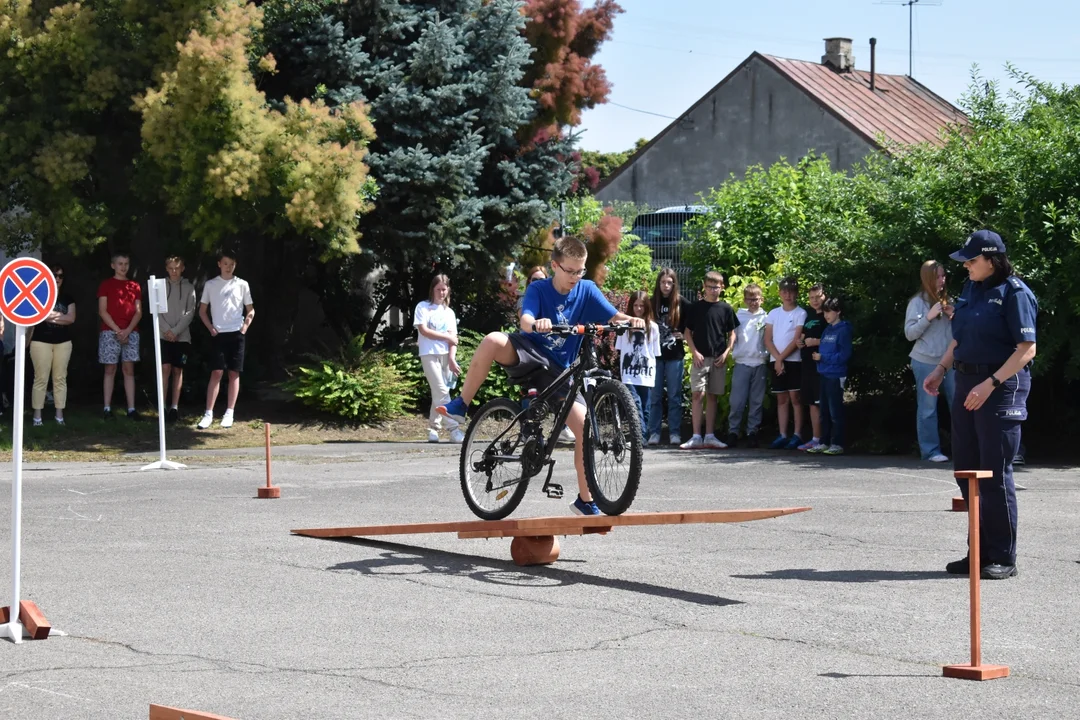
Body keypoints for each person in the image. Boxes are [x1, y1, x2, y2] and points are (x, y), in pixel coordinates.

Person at [437, 235, 644, 516]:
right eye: (570, 270)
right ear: (555, 265)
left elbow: (613, 316)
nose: (575, 276)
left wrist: (630, 321)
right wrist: (537, 324)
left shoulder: (587, 290)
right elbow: (525, 319)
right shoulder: (539, 288)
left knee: (584, 427)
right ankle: (461, 405)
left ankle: (585, 500)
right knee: (493, 340)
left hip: (559, 372)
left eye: (580, 270)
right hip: (530, 352)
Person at [923, 230, 1037, 581]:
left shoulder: (1015, 294)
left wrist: (991, 384)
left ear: (992, 260)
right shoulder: (973, 289)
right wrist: (941, 369)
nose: (966, 266)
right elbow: (959, 337)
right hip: (967, 383)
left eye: (972, 260)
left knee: (994, 474)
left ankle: (1003, 556)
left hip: (1000, 386)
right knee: (968, 472)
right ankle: (979, 552)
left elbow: (1026, 349)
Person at [680, 271, 739, 449]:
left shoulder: (726, 308)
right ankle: (696, 436)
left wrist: (727, 351)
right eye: (710, 287)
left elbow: (732, 333)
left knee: (713, 396)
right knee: (698, 394)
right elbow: (687, 332)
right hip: (700, 358)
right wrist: (694, 352)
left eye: (717, 287)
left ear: (722, 288)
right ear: (704, 287)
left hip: (718, 358)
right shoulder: (695, 308)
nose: (714, 290)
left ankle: (710, 436)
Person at [197, 250, 255, 430]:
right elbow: (202, 311)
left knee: (234, 373)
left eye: (231, 264)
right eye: (225, 263)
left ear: (235, 265)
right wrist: (211, 328)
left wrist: (244, 327)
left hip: (236, 334)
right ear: (219, 264)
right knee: (216, 372)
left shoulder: (242, 284)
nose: (228, 267)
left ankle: (229, 412)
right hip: (218, 334)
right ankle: (208, 413)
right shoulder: (211, 284)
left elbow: (250, 310)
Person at [905, 260, 955, 462]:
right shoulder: (917, 302)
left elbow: (960, 333)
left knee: (958, 405)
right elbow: (909, 334)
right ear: (927, 278)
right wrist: (928, 317)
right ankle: (931, 451)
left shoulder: (949, 300)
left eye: (943, 275)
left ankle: (963, 448)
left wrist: (955, 317)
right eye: (937, 276)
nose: (942, 280)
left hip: (950, 362)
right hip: (924, 361)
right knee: (927, 408)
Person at [415, 274, 464, 444]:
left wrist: (452, 359)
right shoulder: (423, 307)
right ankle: (454, 429)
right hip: (428, 353)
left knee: (439, 392)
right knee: (442, 391)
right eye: (438, 289)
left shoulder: (449, 312)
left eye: (444, 289)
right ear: (432, 290)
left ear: (448, 290)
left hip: (445, 356)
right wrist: (446, 337)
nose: (441, 293)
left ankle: (433, 429)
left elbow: (454, 339)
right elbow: (424, 331)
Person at [647, 268, 692, 446]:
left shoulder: (682, 303)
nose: (666, 285)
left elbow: (695, 321)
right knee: (655, 396)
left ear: (674, 284)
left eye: (669, 282)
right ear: (658, 283)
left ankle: (674, 432)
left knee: (674, 396)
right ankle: (654, 432)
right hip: (655, 356)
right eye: (663, 282)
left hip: (675, 356)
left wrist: (685, 334)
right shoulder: (652, 302)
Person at [97, 251, 143, 420]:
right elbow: (103, 311)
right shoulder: (106, 285)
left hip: (131, 331)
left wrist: (128, 330)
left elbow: (138, 312)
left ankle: (131, 409)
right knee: (110, 369)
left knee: (128, 369)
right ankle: (107, 408)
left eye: (126, 264)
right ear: (113, 265)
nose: (123, 267)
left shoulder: (134, 285)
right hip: (110, 331)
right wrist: (117, 330)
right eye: (120, 264)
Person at [28, 265, 75, 426]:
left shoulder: (67, 298)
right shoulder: (39, 295)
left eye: (60, 276)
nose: (57, 279)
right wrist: (60, 316)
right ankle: (37, 417)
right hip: (41, 341)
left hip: (63, 342)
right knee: (40, 378)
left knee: (60, 378)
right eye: (54, 275)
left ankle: (59, 416)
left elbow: (71, 319)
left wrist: (50, 316)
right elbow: (37, 316)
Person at [765, 277, 807, 449]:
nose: (788, 295)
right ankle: (782, 434)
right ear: (780, 293)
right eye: (785, 291)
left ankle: (797, 434)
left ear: (796, 293)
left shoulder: (800, 313)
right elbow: (767, 339)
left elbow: (796, 339)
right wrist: (777, 358)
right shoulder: (773, 313)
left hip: (793, 361)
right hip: (776, 361)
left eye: (791, 291)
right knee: (781, 399)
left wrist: (780, 359)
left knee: (795, 398)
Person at [726, 283, 768, 447]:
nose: (753, 302)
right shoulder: (739, 316)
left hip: (759, 362)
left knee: (756, 401)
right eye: (749, 299)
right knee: (737, 400)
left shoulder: (766, 317)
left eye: (756, 299)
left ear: (761, 299)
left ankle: (752, 431)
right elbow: (732, 336)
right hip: (742, 362)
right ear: (744, 300)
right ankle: (733, 431)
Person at [810, 298, 853, 456]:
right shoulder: (827, 329)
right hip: (824, 373)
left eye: (829, 311)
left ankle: (838, 443)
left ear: (838, 311)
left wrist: (823, 358)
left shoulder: (844, 330)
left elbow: (844, 355)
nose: (826, 315)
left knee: (835, 411)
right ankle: (824, 441)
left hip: (836, 375)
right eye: (825, 311)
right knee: (824, 411)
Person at [615, 290, 661, 439]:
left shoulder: (653, 327)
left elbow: (654, 353)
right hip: (628, 374)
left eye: (642, 306)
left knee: (645, 406)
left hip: (646, 373)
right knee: (635, 402)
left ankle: (642, 437)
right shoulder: (624, 326)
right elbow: (620, 349)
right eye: (635, 305)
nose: (638, 309)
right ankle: (639, 437)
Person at [159, 256, 197, 423]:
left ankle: (174, 407)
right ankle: (162, 406)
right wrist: (167, 330)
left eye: (177, 268)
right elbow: (156, 311)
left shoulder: (189, 287)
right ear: (166, 269)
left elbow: (190, 312)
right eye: (171, 268)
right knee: (164, 369)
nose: (174, 271)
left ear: (182, 268)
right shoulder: (160, 286)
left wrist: (175, 331)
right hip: (163, 335)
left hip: (182, 337)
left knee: (177, 370)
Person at [795, 284, 827, 451]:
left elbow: (835, 338)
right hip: (806, 362)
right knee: (811, 403)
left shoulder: (828, 315)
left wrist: (816, 342)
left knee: (821, 402)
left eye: (818, 297)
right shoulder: (807, 315)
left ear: (824, 296)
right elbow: (802, 336)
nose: (815, 301)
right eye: (811, 298)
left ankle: (825, 438)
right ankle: (815, 438)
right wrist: (800, 342)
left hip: (821, 364)